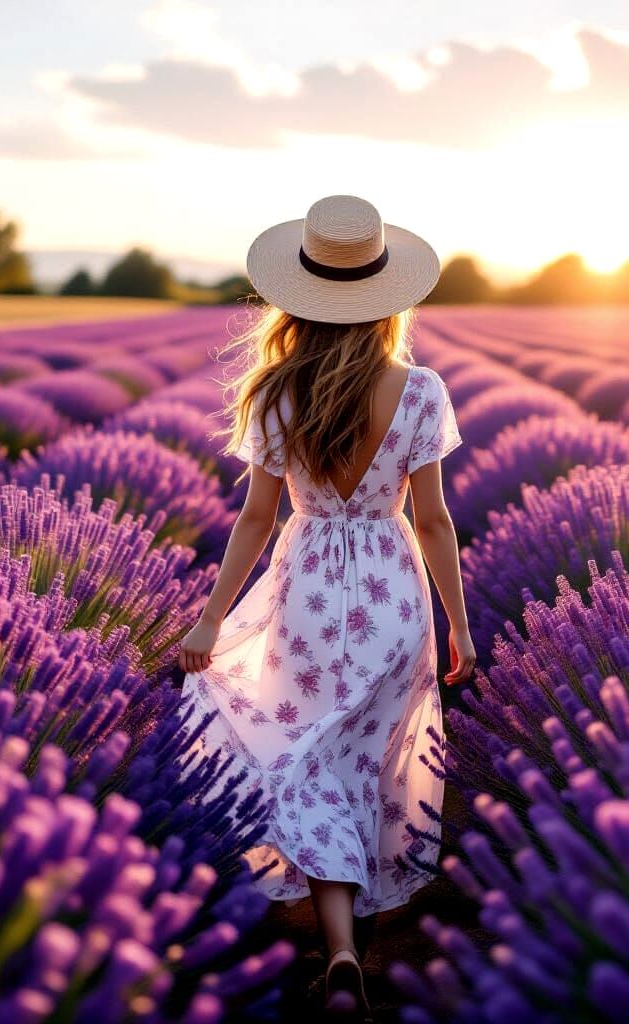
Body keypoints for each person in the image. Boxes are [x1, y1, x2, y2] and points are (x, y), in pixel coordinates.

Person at [176, 195, 476, 1021]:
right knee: (372, 762)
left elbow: (256, 520)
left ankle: (338, 946)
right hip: (394, 591)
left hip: (305, 588)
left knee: (309, 756)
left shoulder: (274, 392)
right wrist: (459, 621)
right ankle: (360, 949)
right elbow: (436, 521)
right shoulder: (419, 391)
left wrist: (209, 620)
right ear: (389, 298)